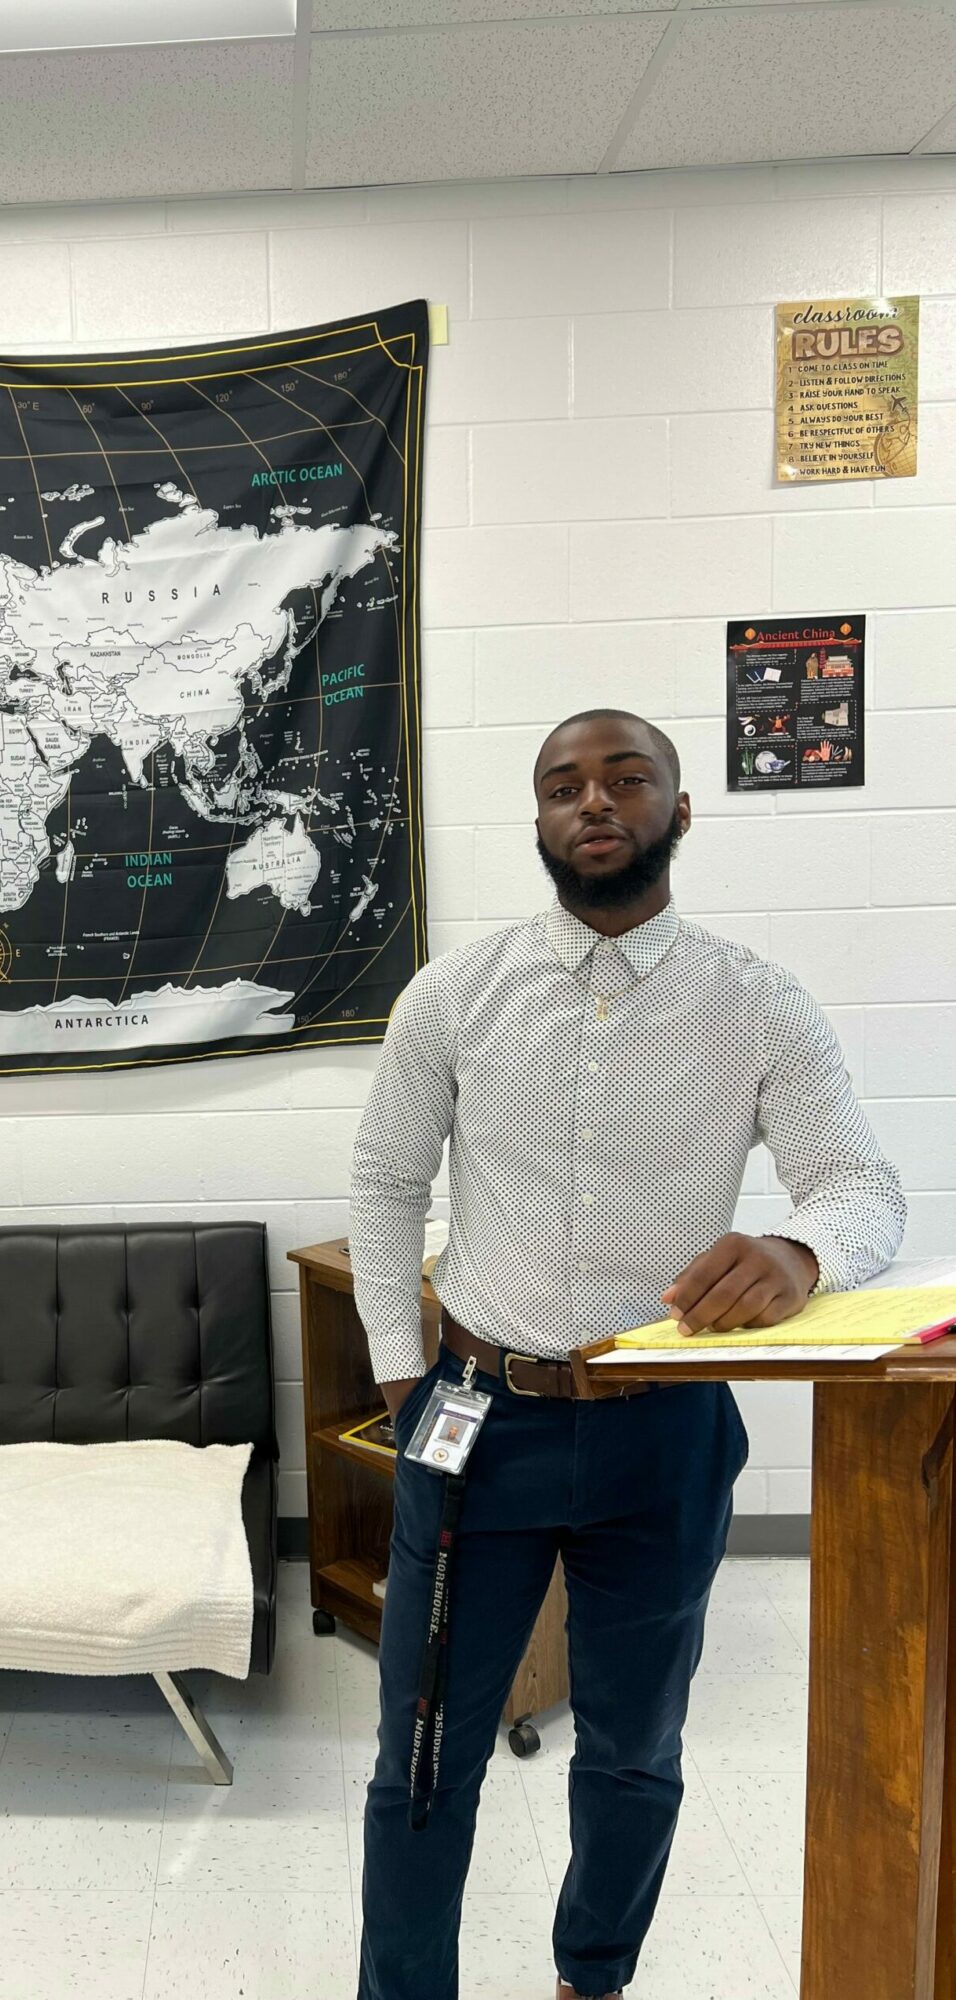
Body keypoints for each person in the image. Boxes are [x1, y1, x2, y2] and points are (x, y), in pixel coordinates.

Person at [348, 708, 904, 2000]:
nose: (593, 801)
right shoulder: (455, 996)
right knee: (424, 1751)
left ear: (679, 812)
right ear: (540, 823)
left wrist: (805, 1251)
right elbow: (385, 1181)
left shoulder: (756, 1003)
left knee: (635, 1746)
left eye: (625, 778)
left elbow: (862, 1187)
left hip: (662, 1429)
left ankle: (591, 1978)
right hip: (476, 1421)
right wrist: (396, 1366)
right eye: (563, 786)